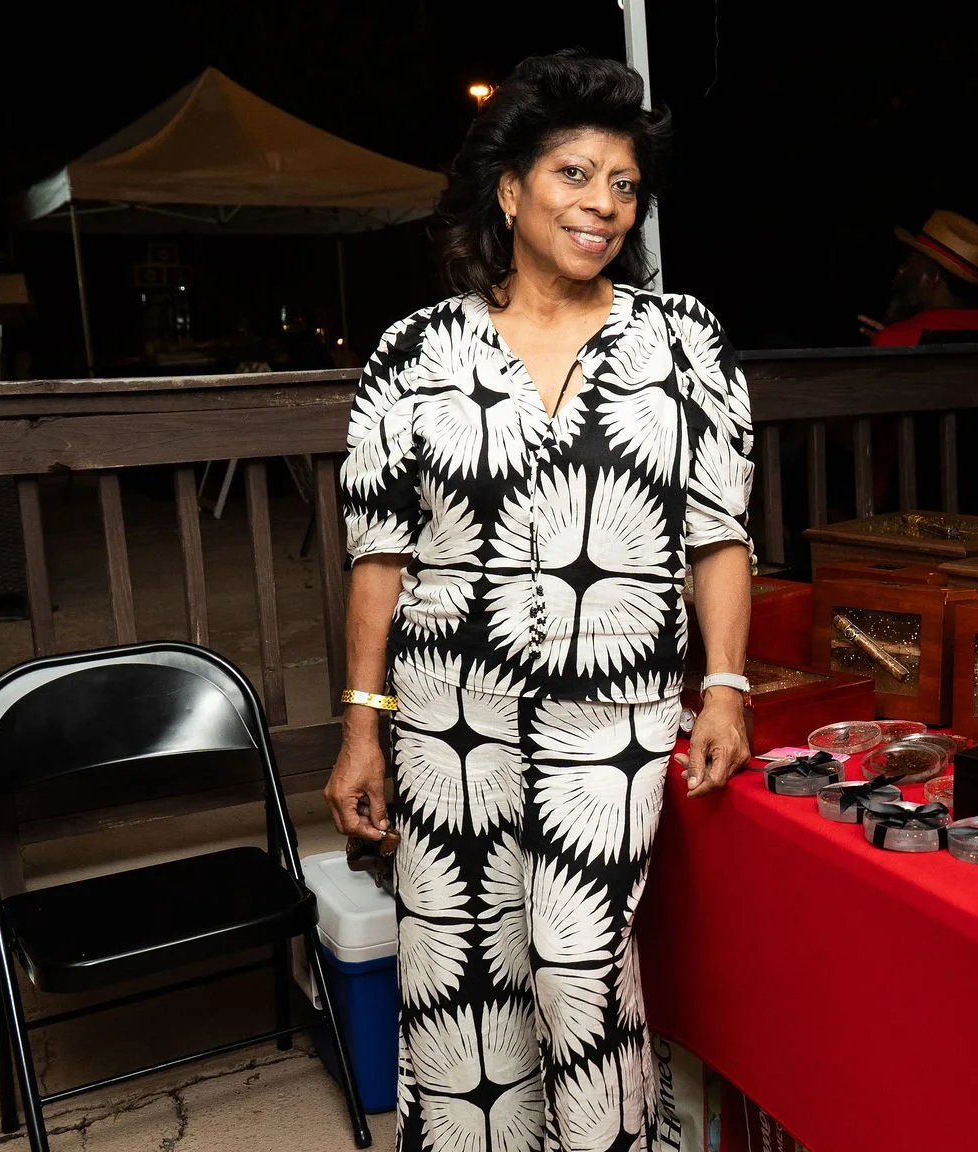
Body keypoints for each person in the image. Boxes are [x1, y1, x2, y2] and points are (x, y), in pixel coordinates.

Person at [324, 51, 753, 1150]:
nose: (602, 205)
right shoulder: (411, 354)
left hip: (610, 723)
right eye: (574, 174)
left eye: (623, 184)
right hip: (443, 725)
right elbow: (380, 553)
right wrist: (360, 724)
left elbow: (717, 535)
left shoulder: (681, 341)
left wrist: (725, 687)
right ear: (509, 191)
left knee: (578, 970)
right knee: (461, 982)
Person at [860, 209, 978, 346]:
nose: (900, 269)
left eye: (908, 264)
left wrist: (889, 342)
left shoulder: (896, 340)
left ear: (931, 279)